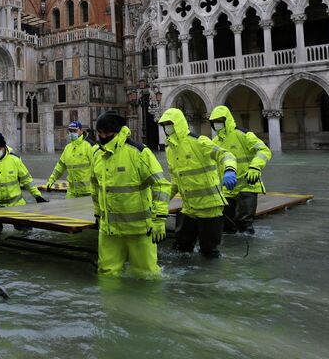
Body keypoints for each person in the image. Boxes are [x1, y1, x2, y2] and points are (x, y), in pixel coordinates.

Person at [90, 111, 172, 278]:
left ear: (118, 131)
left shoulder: (139, 153)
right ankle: (110, 304)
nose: (103, 137)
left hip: (139, 230)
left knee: (147, 276)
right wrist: (98, 214)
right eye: (100, 133)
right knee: (106, 274)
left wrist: (159, 219)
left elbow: (161, 185)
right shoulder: (97, 154)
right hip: (109, 230)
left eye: (107, 133)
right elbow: (95, 188)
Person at [158, 108, 237, 258]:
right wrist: (160, 200)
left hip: (210, 207)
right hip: (189, 208)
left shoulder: (199, 141)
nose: (167, 127)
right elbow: (175, 181)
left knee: (209, 252)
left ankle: (210, 278)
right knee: (181, 248)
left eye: (170, 123)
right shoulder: (170, 150)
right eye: (165, 124)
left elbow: (225, 154)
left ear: (179, 124)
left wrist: (230, 170)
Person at [209, 105, 272, 235]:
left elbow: (264, 150)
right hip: (228, 187)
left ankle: (249, 250)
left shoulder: (243, 134)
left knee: (243, 222)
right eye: (214, 121)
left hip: (247, 185)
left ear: (226, 120)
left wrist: (255, 167)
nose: (217, 124)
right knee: (227, 223)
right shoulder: (215, 141)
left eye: (220, 120)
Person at [0, 133, 48, 234]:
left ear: (4, 147)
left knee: (26, 232)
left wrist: (37, 196)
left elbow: (27, 180)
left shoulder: (15, 160)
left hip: (17, 205)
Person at [46, 121, 95, 198]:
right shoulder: (67, 148)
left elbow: (98, 167)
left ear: (81, 131)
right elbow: (60, 167)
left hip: (88, 192)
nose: (72, 133)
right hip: (72, 192)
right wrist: (51, 180)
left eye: (75, 131)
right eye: (70, 131)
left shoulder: (89, 146)